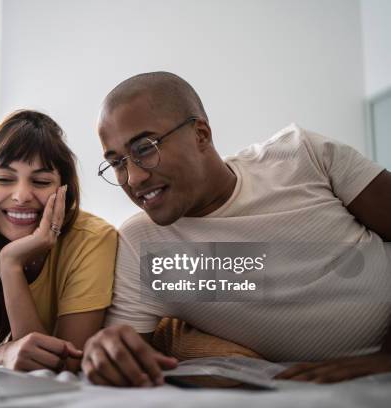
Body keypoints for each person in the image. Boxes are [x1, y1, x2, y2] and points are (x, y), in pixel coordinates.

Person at [82, 71, 391, 386]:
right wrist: (106, 350)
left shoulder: (303, 155)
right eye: (117, 162)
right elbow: (127, 356)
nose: (133, 179)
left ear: (201, 134)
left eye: (144, 148)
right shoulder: (140, 243)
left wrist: (385, 358)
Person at [0, 110, 117, 373]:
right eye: (4, 179)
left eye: (41, 181)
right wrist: (0, 354)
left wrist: (10, 263)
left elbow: (62, 363)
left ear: (63, 189)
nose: (21, 196)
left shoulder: (93, 239)